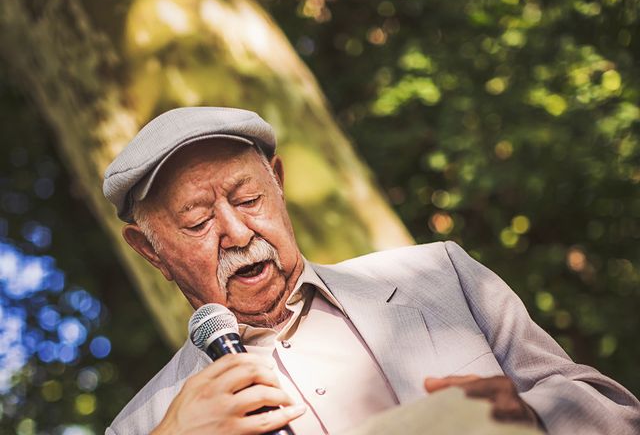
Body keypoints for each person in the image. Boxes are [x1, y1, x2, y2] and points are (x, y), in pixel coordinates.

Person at [103, 107, 639, 435]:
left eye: (249, 199)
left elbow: (617, 413)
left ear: (280, 183)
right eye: (198, 222)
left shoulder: (441, 275)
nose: (239, 234)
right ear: (151, 252)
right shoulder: (141, 427)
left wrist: (535, 419)